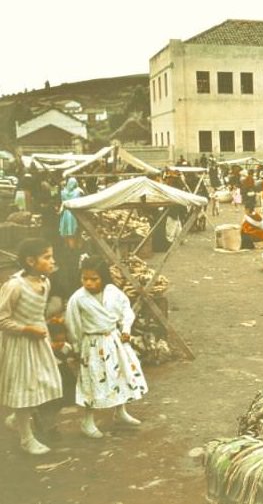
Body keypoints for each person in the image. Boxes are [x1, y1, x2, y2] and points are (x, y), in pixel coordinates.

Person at [65, 256, 147, 439]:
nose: (88, 283)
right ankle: (88, 420)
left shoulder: (113, 292)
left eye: (94, 279)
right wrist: (77, 348)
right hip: (92, 345)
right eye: (84, 278)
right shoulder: (77, 299)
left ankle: (121, 411)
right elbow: (73, 325)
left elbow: (126, 310)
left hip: (113, 341)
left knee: (120, 375)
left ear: (103, 277)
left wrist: (125, 329)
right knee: (93, 381)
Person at [0, 238, 63, 455]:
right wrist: (27, 330)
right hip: (21, 344)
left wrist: (41, 330)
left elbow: (38, 313)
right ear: (30, 261)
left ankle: (18, 418)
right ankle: (26, 437)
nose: (52, 261)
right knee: (24, 389)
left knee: (42, 384)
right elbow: (2, 319)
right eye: (47, 257)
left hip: (38, 343)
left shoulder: (45, 283)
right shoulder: (15, 286)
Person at [59, 177, 83, 249]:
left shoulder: (63, 192)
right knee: (75, 233)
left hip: (65, 213)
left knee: (67, 233)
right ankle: (74, 249)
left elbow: (62, 201)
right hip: (74, 213)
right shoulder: (78, 192)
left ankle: (67, 248)